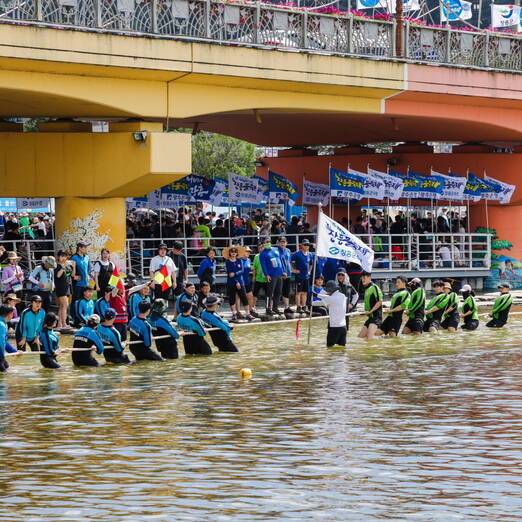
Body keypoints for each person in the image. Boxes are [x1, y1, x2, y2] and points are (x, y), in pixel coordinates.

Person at [313, 281, 348, 347]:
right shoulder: (342, 296)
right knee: (342, 349)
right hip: (343, 327)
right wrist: (317, 295)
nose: (327, 292)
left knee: (329, 348)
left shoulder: (331, 298)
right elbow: (328, 297)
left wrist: (309, 303)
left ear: (330, 290)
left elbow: (320, 302)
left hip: (334, 328)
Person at [224, 246, 254, 322]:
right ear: (229, 253)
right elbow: (229, 274)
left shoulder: (239, 260)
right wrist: (236, 280)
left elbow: (241, 270)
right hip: (231, 282)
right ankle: (234, 314)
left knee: (244, 297)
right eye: (232, 251)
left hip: (241, 282)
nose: (233, 253)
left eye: (235, 251)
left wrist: (235, 274)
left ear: (237, 253)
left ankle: (247, 313)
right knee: (232, 298)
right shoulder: (227, 261)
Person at [259, 238, 284, 315]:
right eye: (265, 242)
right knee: (270, 292)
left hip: (279, 273)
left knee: (278, 291)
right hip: (271, 275)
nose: (267, 243)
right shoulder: (263, 254)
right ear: (263, 244)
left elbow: (281, 260)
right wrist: (266, 275)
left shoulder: (276, 249)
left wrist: (284, 271)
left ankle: (275, 307)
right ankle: (268, 308)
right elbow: (263, 266)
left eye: (269, 242)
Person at [358, 272, 383, 340]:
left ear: (369, 278)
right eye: (362, 278)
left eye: (364, 278)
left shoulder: (374, 287)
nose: (362, 280)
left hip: (376, 317)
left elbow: (379, 302)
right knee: (360, 337)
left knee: (369, 338)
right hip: (370, 317)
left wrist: (370, 311)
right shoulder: (366, 289)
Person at [291, 239, 313, 315]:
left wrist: (309, 271)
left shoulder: (310, 254)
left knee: (305, 293)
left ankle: (304, 306)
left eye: (308, 245)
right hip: (299, 276)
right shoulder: (297, 253)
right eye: (305, 245)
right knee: (298, 292)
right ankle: (298, 307)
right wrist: (293, 270)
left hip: (306, 277)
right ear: (302, 245)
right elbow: (289, 261)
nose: (307, 246)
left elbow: (311, 264)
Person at [0, 305, 22, 372]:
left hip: (1, 355)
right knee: (4, 375)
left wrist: (14, 351)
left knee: (8, 369)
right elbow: (1, 342)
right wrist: (2, 357)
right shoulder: (1, 325)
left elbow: (4, 341)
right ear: (10, 314)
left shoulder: (3, 323)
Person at [54, 250, 72, 330]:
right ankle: (64, 323)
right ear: (58, 257)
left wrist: (73, 267)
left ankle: (59, 323)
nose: (64, 258)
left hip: (66, 287)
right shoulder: (57, 266)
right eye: (62, 256)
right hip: (60, 288)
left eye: (65, 256)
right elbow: (58, 275)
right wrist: (63, 267)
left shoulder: (65, 266)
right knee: (65, 305)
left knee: (62, 306)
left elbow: (71, 275)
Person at [276, 237, 293, 314]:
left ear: (286, 243)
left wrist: (291, 270)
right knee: (277, 292)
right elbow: (277, 264)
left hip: (288, 274)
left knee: (286, 291)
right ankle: (274, 307)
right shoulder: (276, 251)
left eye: (284, 242)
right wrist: (282, 272)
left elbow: (289, 262)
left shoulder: (288, 250)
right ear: (278, 243)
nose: (282, 243)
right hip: (279, 275)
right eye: (281, 242)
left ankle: (286, 307)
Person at [241, 246, 258, 317]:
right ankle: (237, 312)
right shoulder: (239, 260)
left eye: (249, 252)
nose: (248, 253)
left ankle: (250, 310)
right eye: (246, 251)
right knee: (238, 297)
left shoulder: (248, 260)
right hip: (240, 281)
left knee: (250, 296)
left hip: (247, 281)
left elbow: (250, 268)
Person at [252, 243, 268, 315]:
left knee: (268, 294)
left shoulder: (268, 255)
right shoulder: (256, 256)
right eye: (259, 248)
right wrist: (254, 276)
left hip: (267, 279)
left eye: (262, 248)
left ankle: (268, 307)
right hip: (258, 278)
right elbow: (254, 268)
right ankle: (253, 306)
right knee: (255, 294)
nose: (261, 249)